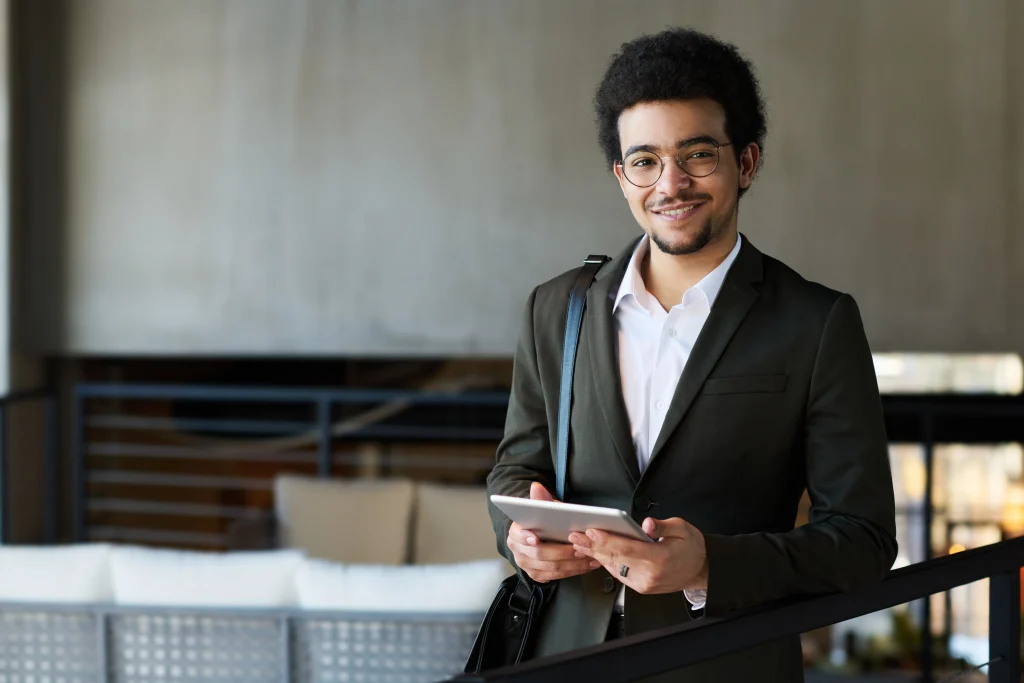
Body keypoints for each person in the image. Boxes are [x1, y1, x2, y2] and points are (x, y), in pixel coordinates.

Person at [485, 27, 897, 682]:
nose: (669, 183)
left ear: (747, 162)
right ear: (622, 176)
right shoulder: (556, 307)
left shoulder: (817, 323)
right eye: (645, 161)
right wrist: (520, 537)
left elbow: (864, 541)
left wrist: (710, 565)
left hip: (726, 665)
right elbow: (514, 470)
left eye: (698, 155)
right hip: (563, 658)